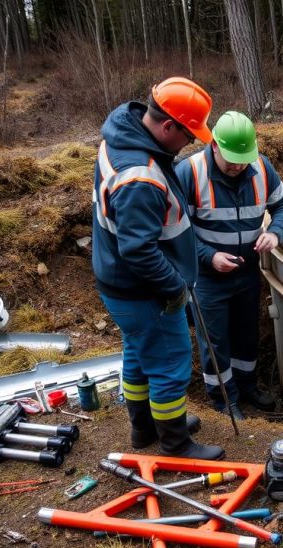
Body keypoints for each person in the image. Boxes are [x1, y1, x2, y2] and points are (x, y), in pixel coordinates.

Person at [91, 77, 224, 460]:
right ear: (168, 126)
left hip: (119, 284)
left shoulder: (124, 134)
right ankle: (176, 444)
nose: (191, 143)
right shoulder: (140, 177)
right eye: (189, 135)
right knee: (169, 364)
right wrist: (174, 288)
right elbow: (138, 250)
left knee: (137, 354)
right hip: (144, 290)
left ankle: (144, 428)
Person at [175, 111, 283, 420]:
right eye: (232, 160)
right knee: (215, 341)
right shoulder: (190, 172)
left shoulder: (262, 168)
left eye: (243, 160)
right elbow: (177, 230)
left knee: (247, 334)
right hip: (208, 278)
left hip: (246, 274)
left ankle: (247, 386)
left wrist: (275, 233)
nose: (238, 166)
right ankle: (224, 400)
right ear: (214, 145)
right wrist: (208, 256)